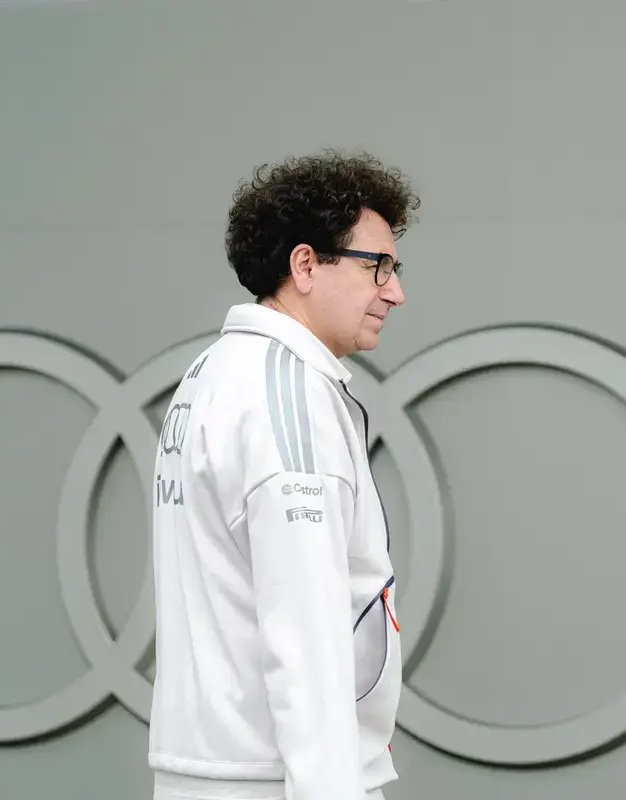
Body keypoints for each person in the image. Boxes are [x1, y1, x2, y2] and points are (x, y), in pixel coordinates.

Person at [148, 149, 420, 800]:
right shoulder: (286, 396)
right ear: (305, 265)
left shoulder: (213, 373)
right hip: (274, 780)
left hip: (216, 770)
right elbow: (307, 635)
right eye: (377, 266)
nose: (395, 291)